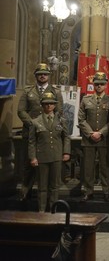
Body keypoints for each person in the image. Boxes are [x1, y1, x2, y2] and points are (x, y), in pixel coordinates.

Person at [18, 63, 64, 202]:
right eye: (40, 74)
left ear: (49, 76)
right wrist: (33, 123)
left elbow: (59, 112)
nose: (42, 76)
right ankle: (26, 191)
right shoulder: (28, 91)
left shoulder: (55, 92)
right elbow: (21, 111)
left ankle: (48, 196)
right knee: (29, 164)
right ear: (36, 76)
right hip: (31, 132)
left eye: (45, 74)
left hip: (48, 133)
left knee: (49, 165)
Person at [28, 92, 70, 212]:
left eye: (51, 103)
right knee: (42, 187)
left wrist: (66, 152)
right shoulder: (35, 122)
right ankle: (41, 211)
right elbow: (32, 141)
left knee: (55, 186)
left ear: (55, 105)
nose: (49, 106)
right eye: (46, 104)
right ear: (42, 105)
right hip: (42, 157)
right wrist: (32, 157)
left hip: (56, 156)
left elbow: (66, 137)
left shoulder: (61, 120)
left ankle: (53, 210)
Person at [78, 72, 109, 202]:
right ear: (93, 85)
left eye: (101, 84)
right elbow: (81, 119)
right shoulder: (86, 100)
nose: (99, 86)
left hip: (104, 139)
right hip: (89, 139)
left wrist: (101, 132)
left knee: (105, 167)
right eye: (97, 84)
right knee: (88, 167)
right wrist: (91, 133)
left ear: (105, 85)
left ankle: (106, 191)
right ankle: (88, 191)